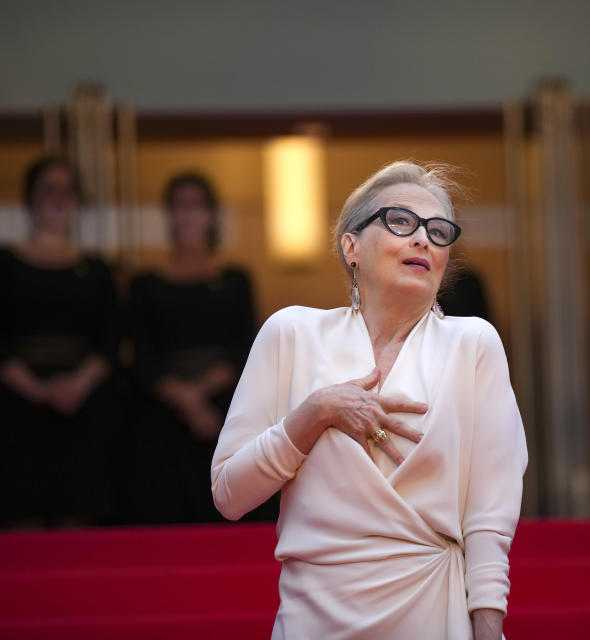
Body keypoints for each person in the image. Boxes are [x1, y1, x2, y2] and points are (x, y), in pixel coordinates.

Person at [211, 161, 527, 639]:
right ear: (350, 245)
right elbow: (229, 495)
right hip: (313, 616)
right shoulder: (290, 333)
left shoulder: (473, 344)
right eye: (401, 222)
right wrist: (315, 413)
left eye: (439, 231)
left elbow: (489, 514)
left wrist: (488, 625)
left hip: (433, 611)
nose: (423, 239)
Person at [0, 156, 121, 528]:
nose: (58, 198)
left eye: (67, 190)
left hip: (84, 412)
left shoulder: (97, 268)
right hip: (15, 411)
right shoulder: (0, 260)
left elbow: (110, 338)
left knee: (81, 524)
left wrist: (76, 386)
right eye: (49, 189)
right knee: (16, 523)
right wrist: (38, 390)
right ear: (30, 198)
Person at [125, 173, 262, 524]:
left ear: (211, 215)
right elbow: (141, 355)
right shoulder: (144, 285)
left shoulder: (235, 279)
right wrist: (186, 400)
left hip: (226, 408)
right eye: (179, 206)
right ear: (168, 216)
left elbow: (246, 347)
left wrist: (200, 395)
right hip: (161, 413)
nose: (187, 215)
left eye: (196, 206)